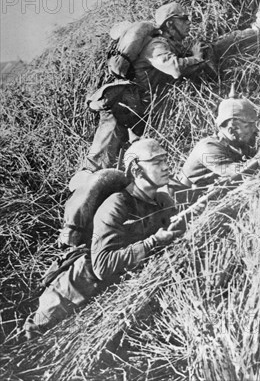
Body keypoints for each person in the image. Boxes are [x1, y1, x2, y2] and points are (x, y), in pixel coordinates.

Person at [24, 139, 184, 340]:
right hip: (75, 291)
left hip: (111, 293)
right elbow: (102, 265)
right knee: (31, 338)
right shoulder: (117, 205)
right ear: (136, 170)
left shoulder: (163, 201)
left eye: (165, 160)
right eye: (156, 162)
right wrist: (153, 243)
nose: (166, 166)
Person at [80, 2, 209, 175]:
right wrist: (197, 58)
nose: (189, 22)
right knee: (97, 164)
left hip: (136, 108)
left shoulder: (167, 45)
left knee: (126, 161)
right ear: (170, 23)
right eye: (184, 18)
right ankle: (83, 189)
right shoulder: (156, 44)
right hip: (123, 105)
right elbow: (174, 68)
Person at [177, 95, 260, 190]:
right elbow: (239, 173)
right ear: (232, 131)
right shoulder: (207, 150)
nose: (254, 129)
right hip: (177, 205)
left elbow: (259, 166)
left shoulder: (238, 146)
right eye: (249, 125)